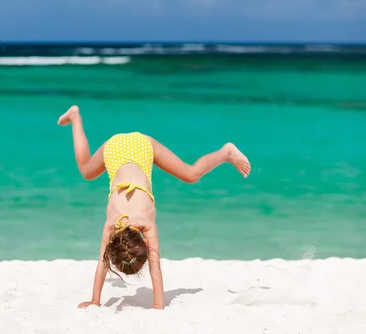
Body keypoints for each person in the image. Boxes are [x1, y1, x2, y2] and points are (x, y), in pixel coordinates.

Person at [57, 105, 251, 310]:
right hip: (118, 147)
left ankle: (227, 152)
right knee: (87, 171)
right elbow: (102, 263)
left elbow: (155, 267)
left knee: (192, 174)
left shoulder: (147, 224)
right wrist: (95, 300)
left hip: (140, 148)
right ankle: (76, 117)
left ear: (143, 243)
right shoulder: (113, 225)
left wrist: (158, 304)